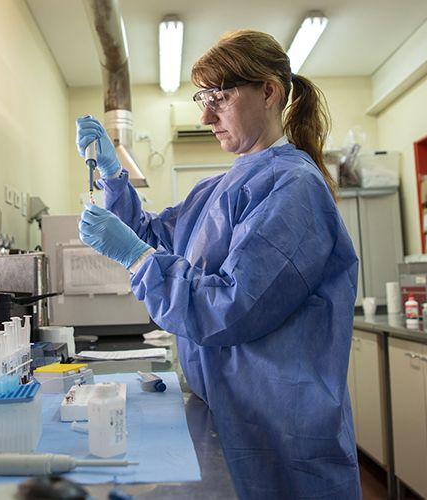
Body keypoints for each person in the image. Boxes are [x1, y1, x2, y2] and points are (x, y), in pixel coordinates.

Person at [76, 29, 360, 499]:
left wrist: (137, 257)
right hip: (233, 410)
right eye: (203, 98)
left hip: (278, 429)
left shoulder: (294, 188)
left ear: (268, 91)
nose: (206, 116)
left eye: (220, 97)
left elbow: (232, 305)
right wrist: (113, 177)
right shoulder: (219, 187)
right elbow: (156, 238)